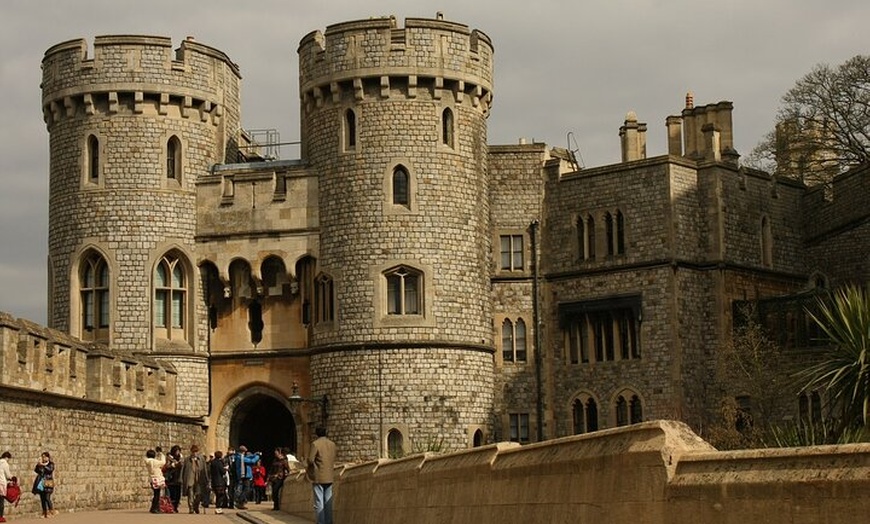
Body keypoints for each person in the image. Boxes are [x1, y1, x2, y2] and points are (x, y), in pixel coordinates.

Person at [307, 427, 336, 524]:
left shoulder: (315, 444)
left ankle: (321, 522)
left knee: (319, 501)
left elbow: (310, 459)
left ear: (316, 434)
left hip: (318, 475)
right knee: (328, 501)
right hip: (329, 475)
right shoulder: (332, 444)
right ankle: (328, 521)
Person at [180, 444, 209, 514]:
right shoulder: (187, 459)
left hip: (199, 479)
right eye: (193, 452)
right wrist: (181, 478)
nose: (194, 453)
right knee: (190, 493)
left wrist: (206, 479)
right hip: (190, 478)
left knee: (199, 494)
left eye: (196, 452)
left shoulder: (201, 459)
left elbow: (204, 469)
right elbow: (183, 469)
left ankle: (196, 505)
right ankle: (191, 508)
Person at [232, 445, 260, 510]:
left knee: (244, 489)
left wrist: (254, 454)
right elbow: (251, 461)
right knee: (247, 489)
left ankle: (241, 503)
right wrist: (257, 456)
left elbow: (248, 457)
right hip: (245, 475)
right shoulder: (240, 457)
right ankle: (239, 501)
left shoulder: (239, 456)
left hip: (244, 474)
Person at [33, 451, 56, 518]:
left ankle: (51, 511)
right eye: (42, 457)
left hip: (48, 482)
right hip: (41, 482)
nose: (44, 458)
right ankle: (44, 513)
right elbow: (36, 471)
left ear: (48, 457)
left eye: (45, 457)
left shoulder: (51, 464)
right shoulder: (41, 464)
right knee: (42, 498)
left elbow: (50, 470)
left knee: (47, 497)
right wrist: (38, 465)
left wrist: (43, 465)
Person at [144, 447, 166, 514]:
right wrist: (161, 454)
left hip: (152, 479)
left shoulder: (148, 461)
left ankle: (153, 507)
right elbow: (163, 462)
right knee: (157, 494)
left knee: (156, 494)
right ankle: (156, 508)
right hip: (157, 479)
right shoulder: (154, 462)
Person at [163, 445, 183, 513]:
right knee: (172, 494)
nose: (177, 452)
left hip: (178, 478)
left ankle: (176, 506)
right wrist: (172, 465)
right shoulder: (169, 458)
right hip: (171, 478)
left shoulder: (180, 458)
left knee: (178, 494)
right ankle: (172, 507)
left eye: (178, 451)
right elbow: (166, 466)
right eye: (176, 451)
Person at [0, 451, 12, 523]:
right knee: (1, 501)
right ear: (7, 457)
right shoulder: (5, 464)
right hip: (1, 483)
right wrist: (12, 478)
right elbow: (8, 475)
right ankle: (0, 516)